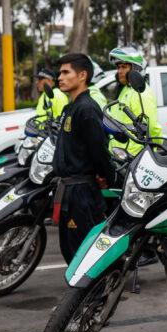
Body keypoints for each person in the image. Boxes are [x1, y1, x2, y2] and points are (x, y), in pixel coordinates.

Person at [52, 53, 116, 264]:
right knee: (69, 250)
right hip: (67, 191)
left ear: (82, 76)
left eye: (65, 72)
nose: (59, 77)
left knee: (84, 254)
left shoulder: (87, 109)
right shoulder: (70, 107)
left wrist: (107, 176)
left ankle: (96, 296)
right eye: (59, 72)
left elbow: (99, 150)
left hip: (82, 194)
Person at [107, 46, 163, 155]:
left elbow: (151, 127)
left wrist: (153, 149)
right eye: (118, 67)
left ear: (136, 68)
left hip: (134, 157)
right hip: (120, 155)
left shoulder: (140, 92)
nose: (119, 71)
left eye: (123, 67)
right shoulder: (126, 89)